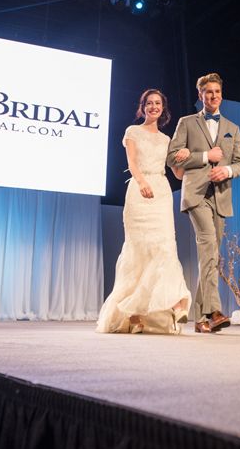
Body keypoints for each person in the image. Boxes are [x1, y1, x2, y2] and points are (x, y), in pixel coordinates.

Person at [96, 89, 190, 335]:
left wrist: (184, 157)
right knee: (138, 253)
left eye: (157, 103)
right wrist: (141, 183)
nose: (153, 107)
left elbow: (177, 173)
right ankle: (133, 315)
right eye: (149, 103)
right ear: (143, 107)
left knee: (165, 247)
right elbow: (132, 163)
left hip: (161, 191)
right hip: (139, 190)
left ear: (163, 108)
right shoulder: (132, 131)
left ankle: (178, 303)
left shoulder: (166, 140)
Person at [167, 72, 240, 334]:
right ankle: (214, 311)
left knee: (211, 256)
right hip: (196, 195)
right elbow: (172, 159)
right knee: (208, 246)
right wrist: (204, 156)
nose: (213, 96)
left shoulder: (232, 128)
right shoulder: (187, 122)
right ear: (200, 95)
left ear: (222, 95)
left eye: (217, 92)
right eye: (208, 92)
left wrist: (228, 171)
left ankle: (201, 318)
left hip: (221, 197)